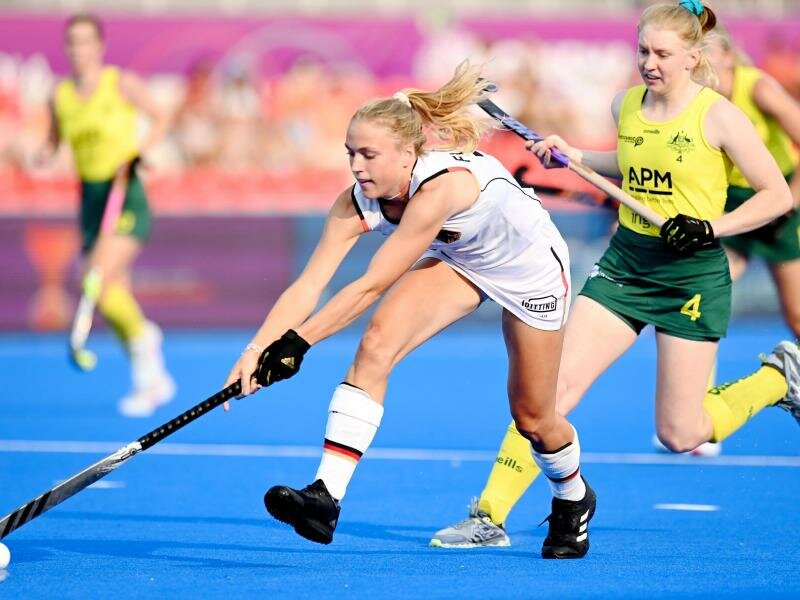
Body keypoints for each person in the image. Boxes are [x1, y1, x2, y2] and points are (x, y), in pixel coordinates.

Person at [430, 0, 798, 549]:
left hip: (690, 278)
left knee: (681, 432)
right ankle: (489, 515)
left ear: (693, 57)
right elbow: (628, 159)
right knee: (547, 396)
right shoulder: (626, 103)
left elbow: (778, 195)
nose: (649, 62)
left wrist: (710, 228)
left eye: (663, 54)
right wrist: (574, 155)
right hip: (626, 266)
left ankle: (777, 378)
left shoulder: (718, 115)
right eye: (643, 50)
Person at [225, 62, 597, 559]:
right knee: (377, 343)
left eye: (369, 155)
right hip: (462, 259)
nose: (357, 167)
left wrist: (296, 346)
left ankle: (573, 496)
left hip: (529, 269)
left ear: (408, 153)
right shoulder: (359, 199)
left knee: (532, 417)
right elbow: (307, 285)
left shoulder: (440, 188)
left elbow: (372, 283)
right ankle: (325, 497)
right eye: (350, 153)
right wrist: (257, 349)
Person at [39, 14, 175, 417]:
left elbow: (162, 114)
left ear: (99, 46)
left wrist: (141, 152)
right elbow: (52, 142)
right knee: (111, 293)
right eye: (72, 42)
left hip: (124, 193)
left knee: (93, 278)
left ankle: (147, 345)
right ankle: (150, 379)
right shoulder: (59, 95)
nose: (78, 50)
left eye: (86, 42)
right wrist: (38, 155)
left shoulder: (121, 83)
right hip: (91, 201)